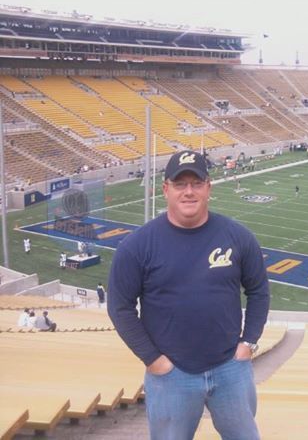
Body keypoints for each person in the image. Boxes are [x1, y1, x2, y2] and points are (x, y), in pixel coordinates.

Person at [108, 150, 270, 440]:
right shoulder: (137, 245)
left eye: (196, 183)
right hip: (171, 375)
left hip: (230, 368)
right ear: (166, 189)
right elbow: (120, 307)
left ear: (208, 187)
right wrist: (153, 360)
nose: (189, 192)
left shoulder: (237, 236)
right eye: (180, 184)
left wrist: (249, 342)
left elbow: (259, 290)